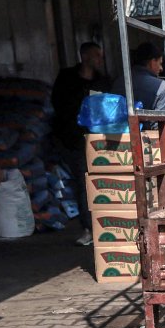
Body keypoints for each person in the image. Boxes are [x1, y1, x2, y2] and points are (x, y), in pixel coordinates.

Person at [50, 41, 111, 245]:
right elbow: (58, 106)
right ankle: (89, 228)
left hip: (97, 139)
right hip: (73, 140)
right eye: (97, 56)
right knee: (83, 182)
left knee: (100, 181)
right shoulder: (67, 78)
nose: (100, 60)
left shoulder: (102, 82)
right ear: (85, 57)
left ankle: (103, 225)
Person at [130, 42, 165, 113]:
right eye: (160, 63)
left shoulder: (118, 81)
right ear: (153, 62)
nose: (161, 68)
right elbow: (160, 121)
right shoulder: (161, 86)